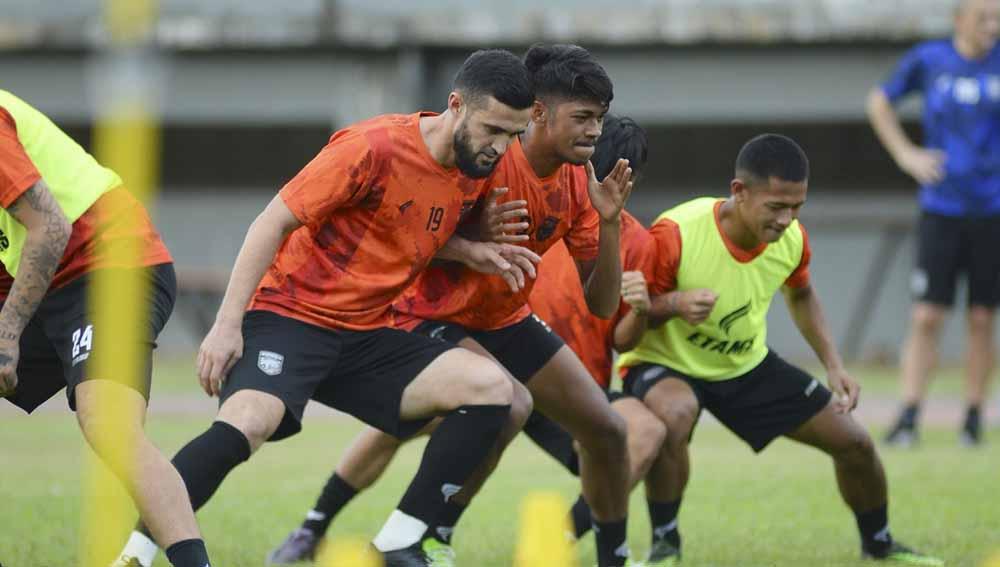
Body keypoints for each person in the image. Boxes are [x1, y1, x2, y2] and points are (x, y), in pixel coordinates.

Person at [110, 48, 541, 567]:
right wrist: (226, 326)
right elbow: (272, 221)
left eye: (512, 135)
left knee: (495, 390)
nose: (501, 147)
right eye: (494, 129)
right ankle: (136, 555)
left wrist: (471, 250)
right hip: (291, 315)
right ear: (456, 105)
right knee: (247, 424)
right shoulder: (371, 147)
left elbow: (407, 223)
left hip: (368, 334)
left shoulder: (476, 167)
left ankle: (398, 544)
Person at [267, 43, 638, 567]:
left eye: (600, 119)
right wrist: (469, 239)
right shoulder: (482, 152)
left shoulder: (580, 183)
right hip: (426, 313)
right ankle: (347, 530)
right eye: (582, 117)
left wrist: (610, 222)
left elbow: (602, 307)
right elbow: (405, 225)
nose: (595, 132)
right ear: (538, 113)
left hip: (503, 318)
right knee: (493, 406)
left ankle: (613, 556)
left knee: (608, 429)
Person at [615, 134, 943, 565]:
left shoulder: (791, 241)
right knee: (676, 413)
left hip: (744, 364)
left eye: (797, 207)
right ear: (739, 192)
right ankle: (666, 544)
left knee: (856, 443)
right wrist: (674, 304)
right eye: (776, 207)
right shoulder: (677, 232)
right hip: (664, 362)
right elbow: (631, 319)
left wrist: (834, 364)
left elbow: (802, 296)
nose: (787, 219)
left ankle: (879, 545)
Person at [0, 90, 214, 567]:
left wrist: (7, 330)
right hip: (44, 281)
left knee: (109, 425)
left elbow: (49, 227)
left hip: (112, 262)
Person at [867, 0, 1000, 447]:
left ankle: (973, 417)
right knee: (927, 315)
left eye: (998, 18)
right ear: (960, 19)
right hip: (942, 208)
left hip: (992, 210)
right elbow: (879, 102)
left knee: (982, 316)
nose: (992, 26)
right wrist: (906, 155)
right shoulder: (930, 60)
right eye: (984, 17)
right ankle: (908, 415)